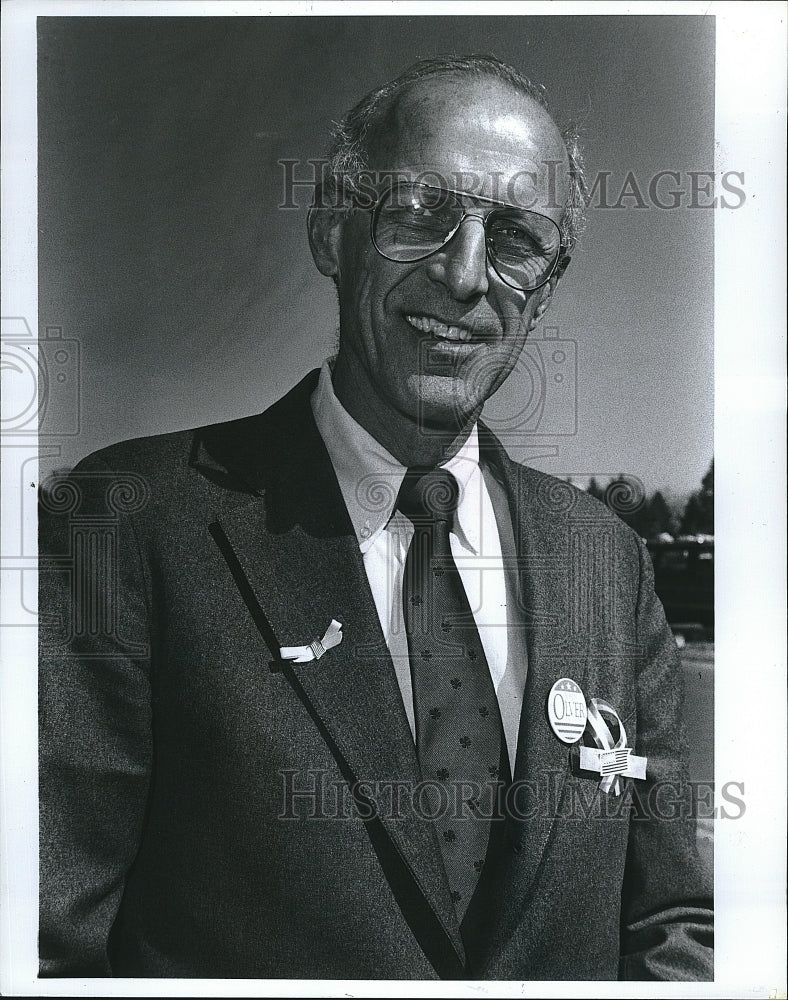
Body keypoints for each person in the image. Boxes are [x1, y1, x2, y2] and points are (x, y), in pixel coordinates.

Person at [38, 55, 713, 981]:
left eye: (515, 238)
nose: (466, 276)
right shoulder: (128, 523)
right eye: (422, 216)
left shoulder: (609, 562)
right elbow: (47, 936)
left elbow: (675, 919)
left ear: (547, 285)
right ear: (331, 233)